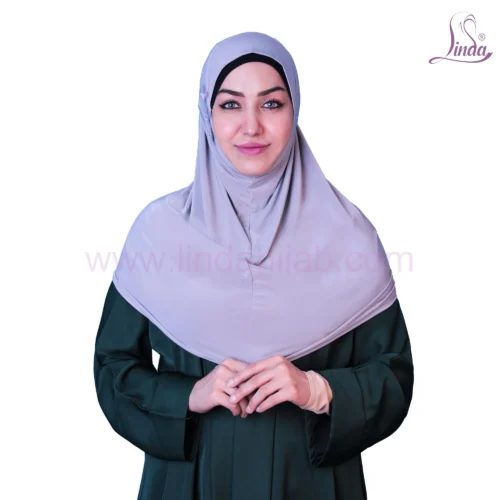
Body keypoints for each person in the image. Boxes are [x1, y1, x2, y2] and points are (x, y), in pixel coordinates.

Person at [93, 31, 414, 500]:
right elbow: (114, 367)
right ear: (207, 113)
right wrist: (188, 396)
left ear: (294, 110)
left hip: (311, 485)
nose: (251, 126)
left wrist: (316, 389)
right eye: (230, 105)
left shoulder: (349, 236)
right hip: (188, 484)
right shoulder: (158, 233)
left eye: (271, 104)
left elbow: (394, 375)